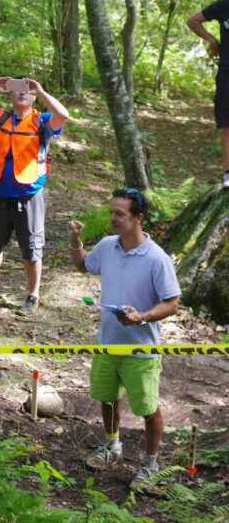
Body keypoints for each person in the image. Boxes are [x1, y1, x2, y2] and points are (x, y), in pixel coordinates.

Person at [68, 188, 180, 491]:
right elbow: (83, 266)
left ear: (138, 218)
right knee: (107, 397)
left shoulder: (157, 258)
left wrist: (141, 316)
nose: (113, 218)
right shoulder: (107, 245)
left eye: (120, 214)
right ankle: (111, 447)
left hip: (140, 349)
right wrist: (76, 241)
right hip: (107, 341)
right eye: (111, 212)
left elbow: (172, 304)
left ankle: (150, 463)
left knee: (147, 408)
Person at [0, 76, 70, 315]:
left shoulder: (42, 121)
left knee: (31, 248)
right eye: (17, 90)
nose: (22, 93)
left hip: (29, 195)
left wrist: (42, 91)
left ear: (34, 97)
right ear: (10, 94)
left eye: (28, 90)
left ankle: (33, 295)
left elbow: (63, 115)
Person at [186, 0, 229, 189]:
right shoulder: (223, 5)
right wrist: (211, 40)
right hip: (227, 73)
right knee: (228, 126)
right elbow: (193, 20)